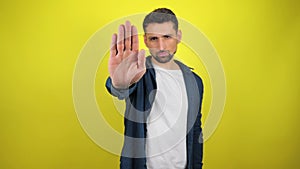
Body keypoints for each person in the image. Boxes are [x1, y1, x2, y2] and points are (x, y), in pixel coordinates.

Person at [106, 8, 204, 169]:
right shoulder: (139, 74)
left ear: (178, 36)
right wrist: (119, 84)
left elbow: (195, 130)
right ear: (145, 40)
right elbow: (120, 89)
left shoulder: (195, 81)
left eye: (167, 37)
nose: (161, 46)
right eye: (153, 39)